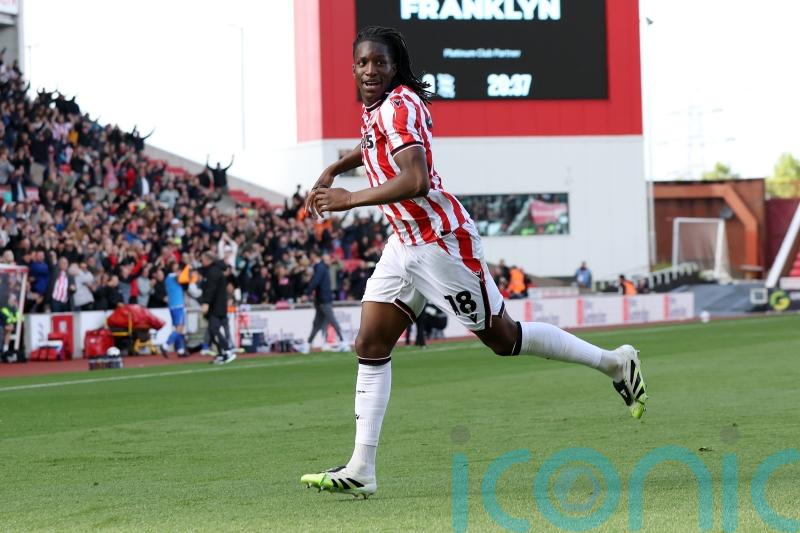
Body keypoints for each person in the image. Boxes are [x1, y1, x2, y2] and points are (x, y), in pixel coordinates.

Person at [300, 26, 648, 498]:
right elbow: (371, 145)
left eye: (379, 63)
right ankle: (362, 468)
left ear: (395, 67)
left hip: (442, 244)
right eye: (362, 63)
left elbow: (416, 179)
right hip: (405, 243)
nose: (369, 70)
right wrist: (334, 169)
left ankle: (614, 363)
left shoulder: (399, 104)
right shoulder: (379, 107)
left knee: (504, 339)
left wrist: (348, 198)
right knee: (371, 341)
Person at [297, 252, 349, 353]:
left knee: (323, 323)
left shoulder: (320, 267)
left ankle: (308, 345)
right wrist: (308, 293)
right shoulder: (321, 267)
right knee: (325, 322)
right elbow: (315, 282)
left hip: (322, 300)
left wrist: (307, 294)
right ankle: (343, 342)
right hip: (323, 300)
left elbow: (315, 282)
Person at [199, 251, 236, 365]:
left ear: (208, 260)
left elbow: (211, 289)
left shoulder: (213, 272)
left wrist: (206, 303)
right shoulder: (214, 270)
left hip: (216, 306)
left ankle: (227, 350)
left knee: (214, 329)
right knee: (212, 330)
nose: (202, 261)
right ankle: (221, 353)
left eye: (203, 259)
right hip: (217, 306)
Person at [161, 261, 188, 358]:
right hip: (177, 306)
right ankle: (165, 345)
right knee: (179, 329)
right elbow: (183, 278)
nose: (178, 268)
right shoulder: (174, 276)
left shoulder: (168, 278)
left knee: (179, 329)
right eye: (176, 267)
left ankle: (180, 350)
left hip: (173, 305)